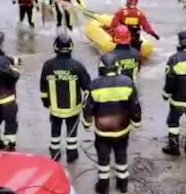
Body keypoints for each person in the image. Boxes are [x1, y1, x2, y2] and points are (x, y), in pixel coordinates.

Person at [82, 53, 142, 194]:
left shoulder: (94, 85)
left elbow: (88, 108)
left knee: (103, 158)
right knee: (121, 154)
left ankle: (103, 186)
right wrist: (136, 122)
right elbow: (135, 106)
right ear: (117, 67)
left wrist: (86, 123)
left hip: (102, 131)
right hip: (122, 129)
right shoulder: (127, 83)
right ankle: (123, 184)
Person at [39, 34, 91, 162]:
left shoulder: (48, 65)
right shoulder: (77, 66)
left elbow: (43, 88)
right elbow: (88, 88)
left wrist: (47, 103)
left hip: (55, 109)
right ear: (71, 47)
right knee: (71, 133)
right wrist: (85, 107)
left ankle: (55, 153)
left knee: (55, 131)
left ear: (55, 47)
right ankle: (71, 154)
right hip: (73, 108)